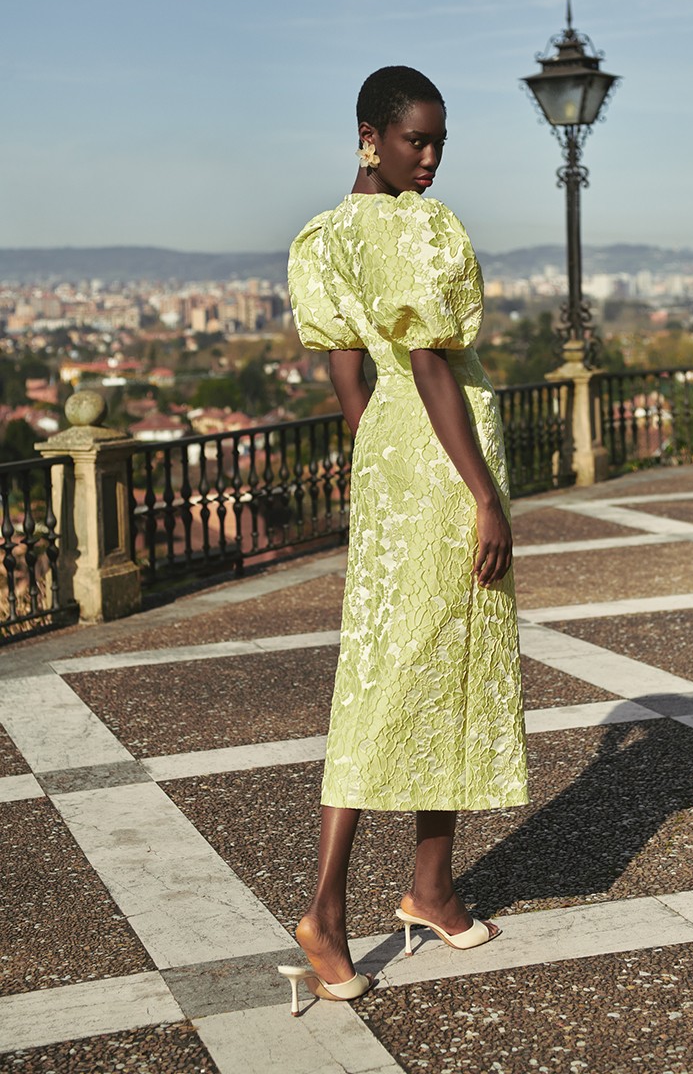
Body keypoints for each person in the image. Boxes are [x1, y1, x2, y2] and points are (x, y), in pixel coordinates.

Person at [278, 66, 528, 1017]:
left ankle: (430, 890)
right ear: (370, 136)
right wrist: (482, 495)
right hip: (444, 462)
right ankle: (325, 912)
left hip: (389, 461)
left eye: (438, 144)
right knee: (414, 675)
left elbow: (349, 372)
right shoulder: (423, 229)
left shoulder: (327, 237)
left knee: (399, 669)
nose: (429, 159)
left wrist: (381, 455)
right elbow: (429, 362)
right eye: (415, 141)